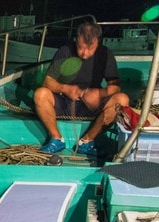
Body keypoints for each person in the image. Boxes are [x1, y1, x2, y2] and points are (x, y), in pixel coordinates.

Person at [35, 21, 129, 156]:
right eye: (81, 47)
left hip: (93, 106)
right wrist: (66, 89)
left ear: (98, 43)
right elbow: (47, 82)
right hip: (65, 102)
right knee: (40, 94)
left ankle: (87, 141)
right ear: (76, 40)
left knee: (122, 99)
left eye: (90, 48)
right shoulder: (65, 51)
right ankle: (56, 139)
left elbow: (115, 88)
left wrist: (99, 93)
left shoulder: (105, 54)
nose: (84, 53)